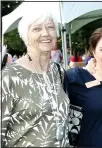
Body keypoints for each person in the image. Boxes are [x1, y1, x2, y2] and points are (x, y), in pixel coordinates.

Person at [1, 11, 70, 147]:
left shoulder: (58, 71)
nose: (45, 33)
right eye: (37, 29)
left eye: (50, 27)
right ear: (26, 36)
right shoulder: (9, 77)